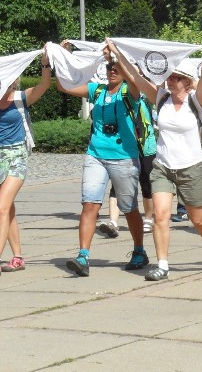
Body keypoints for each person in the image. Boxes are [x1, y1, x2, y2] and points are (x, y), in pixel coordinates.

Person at [112, 44, 202, 280]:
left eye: (176, 78)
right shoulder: (161, 98)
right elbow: (135, 77)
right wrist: (117, 54)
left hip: (190, 168)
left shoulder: (197, 100)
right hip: (162, 167)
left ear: (186, 81)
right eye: (169, 77)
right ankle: (162, 264)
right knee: (160, 216)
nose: (170, 81)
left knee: (198, 219)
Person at [56, 43, 148, 276]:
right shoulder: (97, 90)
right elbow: (64, 86)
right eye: (109, 67)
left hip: (124, 157)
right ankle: (83, 256)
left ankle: (139, 250)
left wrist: (119, 57)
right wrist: (58, 58)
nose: (112, 70)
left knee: (129, 208)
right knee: (89, 204)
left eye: (116, 67)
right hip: (95, 155)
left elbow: (136, 82)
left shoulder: (130, 92)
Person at [0, 49, 52, 274]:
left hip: (17, 156)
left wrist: (45, 64)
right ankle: (18, 257)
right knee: (7, 208)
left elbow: (44, 85)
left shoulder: (21, 98)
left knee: (1, 208)